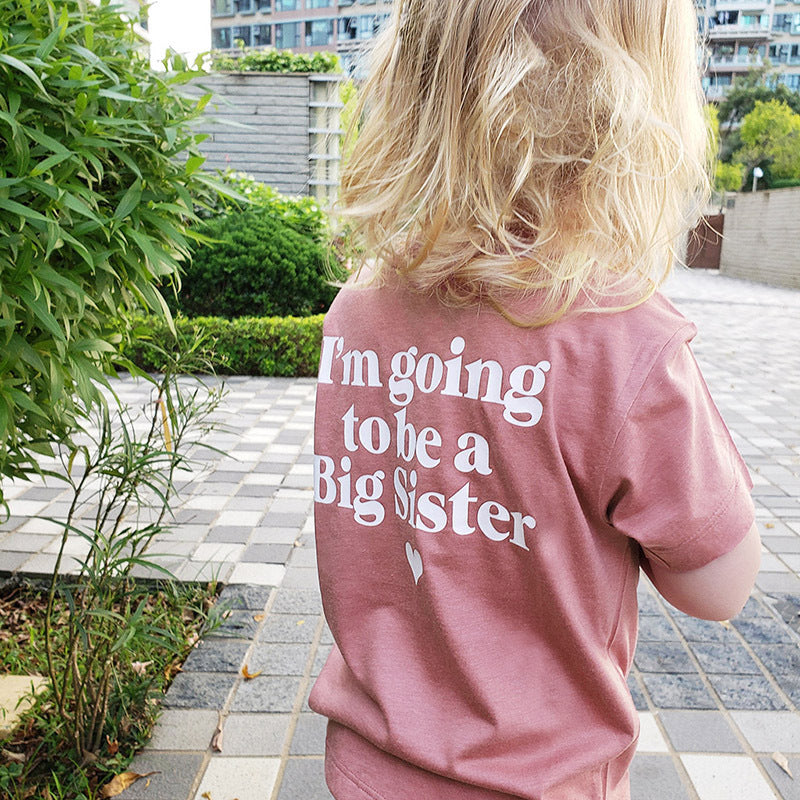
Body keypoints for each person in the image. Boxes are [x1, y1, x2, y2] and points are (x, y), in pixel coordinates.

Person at [309, 1, 761, 798]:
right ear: (637, 113)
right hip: (539, 782)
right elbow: (717, 588)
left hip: (368, 770)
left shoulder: (360, 306)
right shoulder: (622, 339)